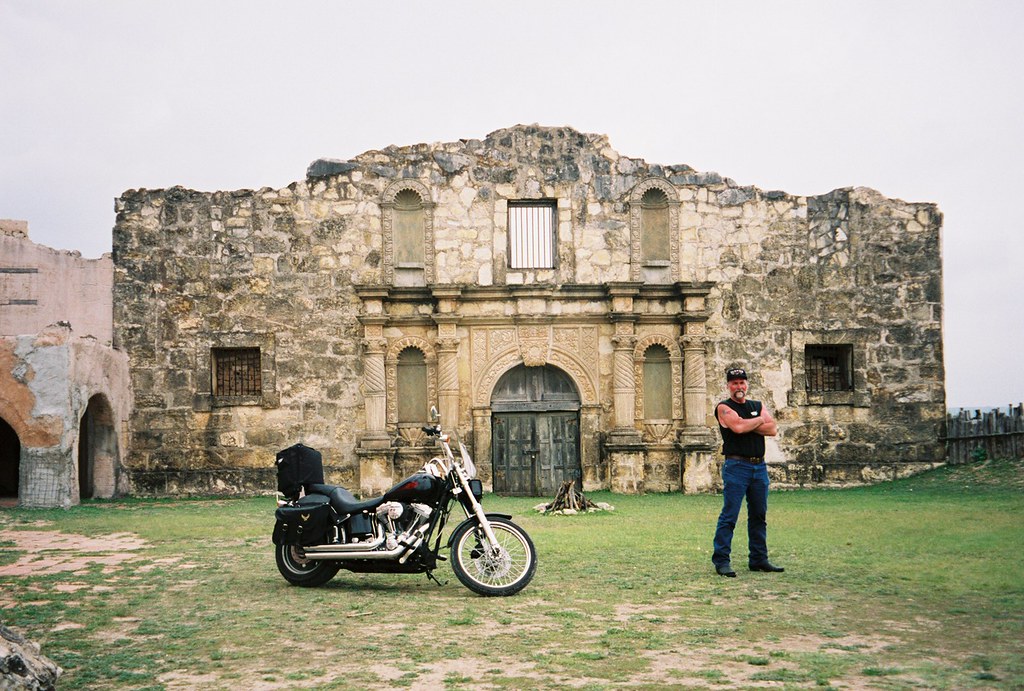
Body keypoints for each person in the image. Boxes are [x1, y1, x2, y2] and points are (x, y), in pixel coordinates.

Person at [711, 367, 785, 577]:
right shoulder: (724, 407)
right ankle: (722, 560)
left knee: (759, 515)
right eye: (734, 383)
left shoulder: (756, 405)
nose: (739, 387)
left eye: (742, 382)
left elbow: (772, 429)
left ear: (747, 385)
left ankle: (759, 559)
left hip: (759, 467)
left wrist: (752, 422)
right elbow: (738, 428)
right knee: (730, 515)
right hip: (737, 467)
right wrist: (760, 420)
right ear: (728, 386)